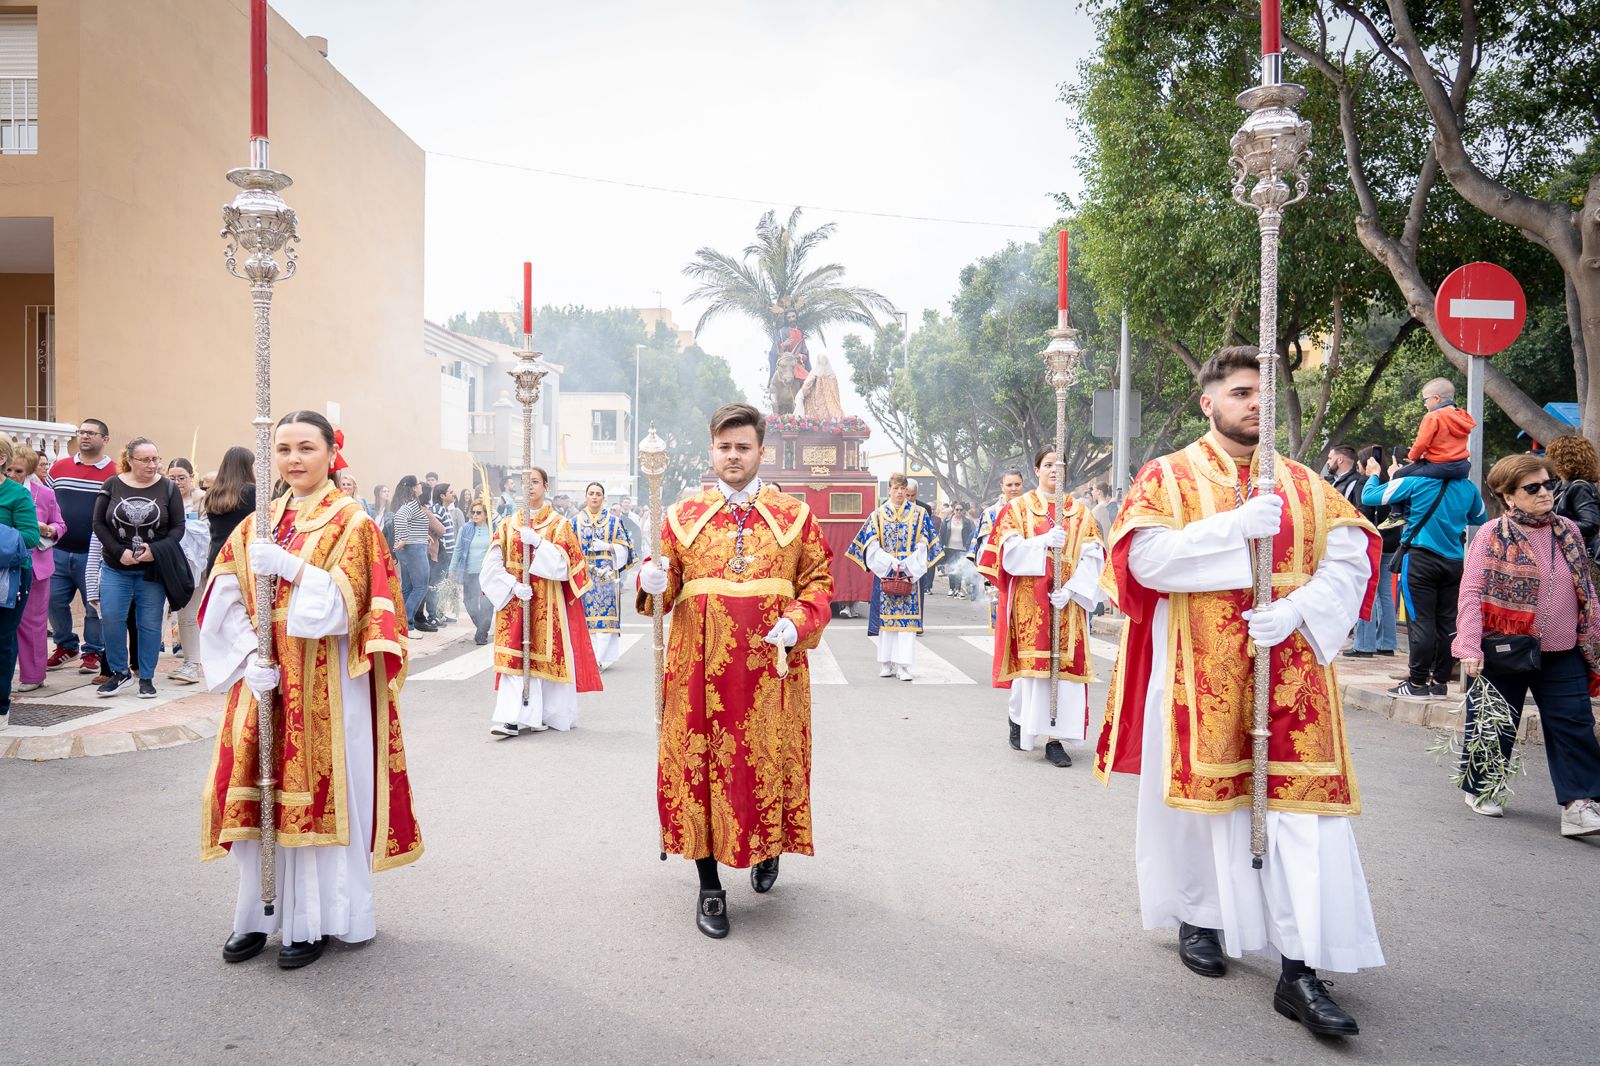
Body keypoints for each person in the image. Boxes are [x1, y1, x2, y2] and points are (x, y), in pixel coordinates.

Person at [1095, 346, 1383, 1038]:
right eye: (1241, 393)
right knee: (1204, 809)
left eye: (1263, 393)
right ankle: (1200, 915)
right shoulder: (1167, 476)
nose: (1256, 404)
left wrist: (1298, 609)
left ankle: (1301, 968)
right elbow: (1145, 562)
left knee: (1303, 822)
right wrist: (1233, 528)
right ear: (1209, 403)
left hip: (1295, 678)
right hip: (1197, 671)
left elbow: (1349, 561)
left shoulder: (1305, 483)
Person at [199, 411, 423, 969]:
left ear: (330, 453)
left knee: (320, 795)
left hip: (326, 682)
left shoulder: (352, 522)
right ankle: (258, 913)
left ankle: (316, 919)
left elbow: (358, 607)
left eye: (306, 447)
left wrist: (293, 570)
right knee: (260, 790)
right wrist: (250, 657)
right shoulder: (258, 523)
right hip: (264, 684)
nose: (294, 459)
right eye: (283, 449)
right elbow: (223, 597)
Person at [635, 402, 834, 938]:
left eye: (743, 447)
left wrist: (797, 622)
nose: (733, 456)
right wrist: (651, 581)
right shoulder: (681, 517)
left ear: (761, 452)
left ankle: (769, 846)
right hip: (697, 673)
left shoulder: (795, 517)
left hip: (771, 672)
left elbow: (818, 582)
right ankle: (709, 886)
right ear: (712, 451)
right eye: (724, 447)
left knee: (764, 765)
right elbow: (662, 584)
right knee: (699, 770)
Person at [1452, 453, 1600, 836]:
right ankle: (1484, 787)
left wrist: (1593, 638)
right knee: (1494, 721)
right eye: (1532, 488)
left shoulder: (1568, 531)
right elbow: (1471, 592)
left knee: (1575, 724)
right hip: (1505, 647)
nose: (1545, 493)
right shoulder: (1491, 534)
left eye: (1549, 484)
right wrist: (1469, 646)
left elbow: (1586, 589)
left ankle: (1578, 805)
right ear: (1508, 495)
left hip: (1563, 650)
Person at [978, 447, 1105, 766]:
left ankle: (1054, 739)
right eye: (1048, 465)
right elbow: (1008, 554)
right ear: (1036, 470)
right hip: (1031, 605)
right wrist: (1042, 542)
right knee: (1032, 675)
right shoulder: (1019, 508)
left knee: (1064, 674)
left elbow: (1094, 557)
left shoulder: (1080, 512)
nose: (1054, 471)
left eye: (1059, 466)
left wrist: (1072, 590)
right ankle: (1019, 719)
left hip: (1068, 608)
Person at [1361, 444, 1487, 701]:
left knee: (1421, 622)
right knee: (1447, 623)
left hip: (1420, 559)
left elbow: (1370, 496)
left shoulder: (1414, 482)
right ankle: (1439, 683)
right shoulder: (1468, 488)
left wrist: (1374, 473)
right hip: (1454, 562)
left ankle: (1417, 683)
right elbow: (1479, 518)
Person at [482, 466, 601, 736]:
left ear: (546, 486)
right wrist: (512, 585)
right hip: (513, 603)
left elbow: (566, 567)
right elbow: (491, 564)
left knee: (545, 658)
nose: (529, 486)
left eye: (535, 481)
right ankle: (513, 717)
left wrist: (538, 543)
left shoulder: (559, 525)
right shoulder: (508, 524)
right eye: (525, 482)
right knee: (514, 658)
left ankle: (545, 714)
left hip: (548, 604)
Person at [92, 437, 187, 699]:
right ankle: (120, 673)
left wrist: (154, 550)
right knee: (112, 619)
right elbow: (98, 524)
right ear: (130, 460)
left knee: (149, 625)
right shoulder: (112, 484)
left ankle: (146, 677)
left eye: (155, 459)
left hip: (152, 570)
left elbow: (178, 528)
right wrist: (118, 551)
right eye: (145, 460)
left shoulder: (168, 488)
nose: (152, 464)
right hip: (115, 567)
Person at [846, 473, 943, 681]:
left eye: (903, 488)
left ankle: (904, 666)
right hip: (887, 573)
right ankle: (886, 662)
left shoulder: (920, 514)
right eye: (896, 488)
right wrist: (889, 561)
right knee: (887, 622)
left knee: (907, 623)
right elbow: (871, 545)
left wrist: (909, 564)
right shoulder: (878, 515)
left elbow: (925, 544)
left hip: (910, 574)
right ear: (888, 489)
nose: (899, 492)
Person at [45, 418, 119, 679]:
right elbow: (45, 502)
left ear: (105, 439)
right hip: (58, 549)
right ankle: (66, 645)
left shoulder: (115, 473)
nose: (84, 436)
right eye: (81, 432)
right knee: (53, 600)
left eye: (91, 433)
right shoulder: (59, 467)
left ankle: (93, 651)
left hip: (95, 553)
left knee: (93, 606)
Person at [8, 444, 64, 695]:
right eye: (9, 470)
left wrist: (48, 529)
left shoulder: (44, 494)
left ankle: (33, 675)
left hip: (36, 567)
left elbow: (60, 524)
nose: (12, 475)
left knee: (32, 623)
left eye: (19, 471)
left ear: (30, 471)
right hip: (5, 563)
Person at [0, 434, 42, 726]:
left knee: (2, 640)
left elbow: (30, 536)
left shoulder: (17, 494)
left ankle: (1, 706)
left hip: (8, 577)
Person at [573, 481, 635, 670]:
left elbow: (626, 548)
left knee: (604, 615)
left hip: (606, 576)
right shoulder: (575, 521)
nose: (594, 497)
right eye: (591, 493)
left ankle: (599, 658)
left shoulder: (614, 522)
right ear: (586, 496)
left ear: (603, 497)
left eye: (598, 494)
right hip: (584, 575)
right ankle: (588, 657)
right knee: (585, 616)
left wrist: (608, 547)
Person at [1347, 444, 1399, 659]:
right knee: (1385, 593)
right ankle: (1387, 642)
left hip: (1372, 543)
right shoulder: (1391, 481)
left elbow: (1363, 512)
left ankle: (1364, 644)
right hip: (1392, 541)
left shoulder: (1365, 482)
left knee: (1367, 590)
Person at [165, 458, 209, 684]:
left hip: (194, 565)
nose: (177, 482)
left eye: (182, 477)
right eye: (172, 478)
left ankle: (193, 663)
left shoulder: (202, 499)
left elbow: (208, 529)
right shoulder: (164, 497)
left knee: (189, 614)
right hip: (167, 561)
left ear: (191, 477)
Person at [970, 471, 1026, 631]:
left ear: (1023, 485)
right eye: (1009, 485)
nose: (1014, 488)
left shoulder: (1030, 510)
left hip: (1027, 573)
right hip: (1001, 575)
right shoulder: (991, 513)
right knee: (1003, 628)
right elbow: (984, 549)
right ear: (1002, 486)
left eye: (1017, 484)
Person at [1400, 377, 1474, 478]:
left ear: (1436, 398)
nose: (1425, 404)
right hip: (1462, 466)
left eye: (1425, 400)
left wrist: (1412, 456)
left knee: (1398, 475)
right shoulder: (1462, 415)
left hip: (1440, 466)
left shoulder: (1433, 416)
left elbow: (1421, 443)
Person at [1544, 435, 1600, 568]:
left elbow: (1590, 524)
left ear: (1560, 458)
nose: (1546, 460)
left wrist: (1553, 524)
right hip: (1567, 555)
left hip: (1580, 558)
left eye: (1550, 455)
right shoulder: (1560, 485)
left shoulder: (1579, 486)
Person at [390, 476, 434, 632]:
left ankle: (400, 624)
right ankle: (407, 624)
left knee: (408, 588)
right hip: (414, 550)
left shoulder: (409, 502)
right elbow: (400, 517)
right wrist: (403, 538)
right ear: (414, 488)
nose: (421, 486)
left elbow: (411, 521)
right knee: (421, 587)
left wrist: (423, 535)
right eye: (419, 484)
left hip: (411, 548)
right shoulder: (411, 503)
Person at [204, 447, 257, 575]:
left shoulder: (213, 492)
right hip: (241, 558)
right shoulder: (251, 491)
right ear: (246, 467)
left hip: (217, 556)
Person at [452, 498, 495, 645]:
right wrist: (452, 569)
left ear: (486, 514)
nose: (475, 515)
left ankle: (481, 634)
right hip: (469, 573)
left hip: (487, 574)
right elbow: (458, 550)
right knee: (468, 602)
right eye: (473, 512)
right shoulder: (466, 529)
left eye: (478, 512)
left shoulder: (493, 529)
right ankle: (482, 628)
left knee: (486, 603)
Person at [424, 482, 459, 627]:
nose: (453, 494)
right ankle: (433, 615)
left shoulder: (444, 510)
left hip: (447, 554)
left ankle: (440, 614)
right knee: (436, 585)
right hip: (440, 553)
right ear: (442, 496)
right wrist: (440, 551)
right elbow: (434, 530)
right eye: (450, 492)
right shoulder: (437, 509)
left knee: (442, 585)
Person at [905, 478, 939, 599]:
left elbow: (927, 530)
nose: (910, 498)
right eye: (907, 495)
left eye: (912, 495)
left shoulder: (925, 508)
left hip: (917, 551)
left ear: (917, 493)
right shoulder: (896, 506)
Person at [942, 502, 974, 598]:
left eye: (961, 510)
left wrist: (968, 545)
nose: (958, 511)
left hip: (962, 548)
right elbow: (942, 533)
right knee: (951, 568)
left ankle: (958, 589)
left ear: (963, 511)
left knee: (959, 569)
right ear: (953, 510)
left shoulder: (967, 522)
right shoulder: (947, 520)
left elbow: (971, 534)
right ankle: (951, 588)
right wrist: (942, 544)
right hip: (949, 547)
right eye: (957, 509)